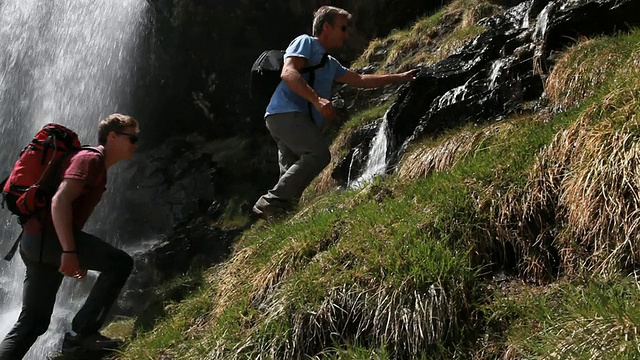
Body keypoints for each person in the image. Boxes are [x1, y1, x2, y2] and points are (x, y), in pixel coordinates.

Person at [253, 6, 419, 218]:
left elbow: (360, 80)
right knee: (319, 155)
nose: (346, 34)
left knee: (292, 174)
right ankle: (269, 202)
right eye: (343, 28)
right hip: (286, 113)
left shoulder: (330, 64)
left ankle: (277, 218)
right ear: (326, 27)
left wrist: (400, 77)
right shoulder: (305, 42)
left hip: (283, 117)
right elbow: (288, 72)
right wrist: (317, 99)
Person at [0, 114, 140, 359]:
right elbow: (60, 200)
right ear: (113, 136)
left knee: (33, 321)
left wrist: (74, 253)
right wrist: (69, 251)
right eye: (133, 138)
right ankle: (81, 336)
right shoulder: (91, 159)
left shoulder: (91, 161)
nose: (136, 144)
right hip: (49, 239)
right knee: (120, 263)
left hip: (34, 241)